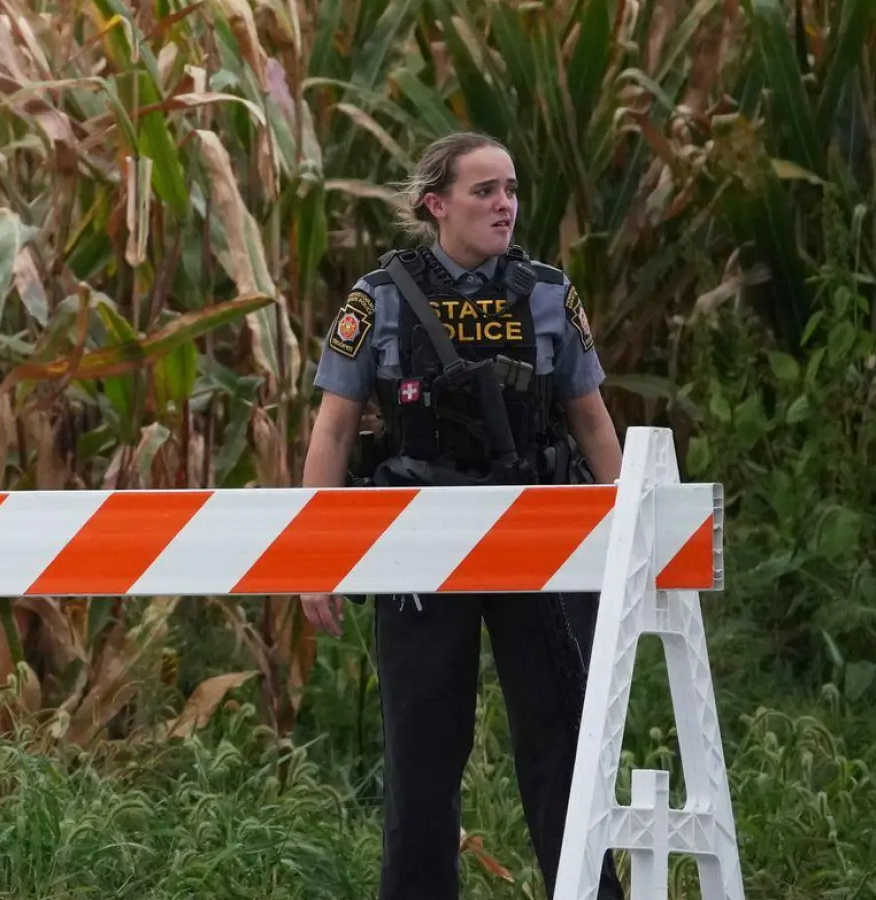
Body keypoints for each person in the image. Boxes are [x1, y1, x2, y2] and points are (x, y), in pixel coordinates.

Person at [298, 131, 628, 900]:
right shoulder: (377, 298)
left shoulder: (548, 292)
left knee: (562, 749)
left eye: (510, 188)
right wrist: (314, 557)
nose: (504, 204)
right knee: (423, 753)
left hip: (541, 545)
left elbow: (592, 421)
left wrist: (628, 541)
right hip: (418, 546)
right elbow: (335, 429)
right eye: (484, 191)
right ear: (435, 204)